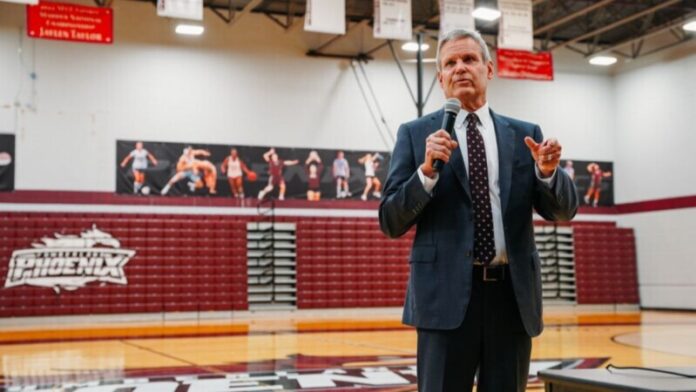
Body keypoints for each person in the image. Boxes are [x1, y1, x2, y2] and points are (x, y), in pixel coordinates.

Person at [378, 29, 578, 392]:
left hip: (511, 298)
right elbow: (390, 220)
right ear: (440, 79)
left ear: (489, 68)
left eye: (469, 59)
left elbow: (563, 212)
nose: (460, 68)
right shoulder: (414, 134)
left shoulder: (524, 134)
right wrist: (424, 173)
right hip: (444, 299)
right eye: (450, 63)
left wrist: (547, 174)